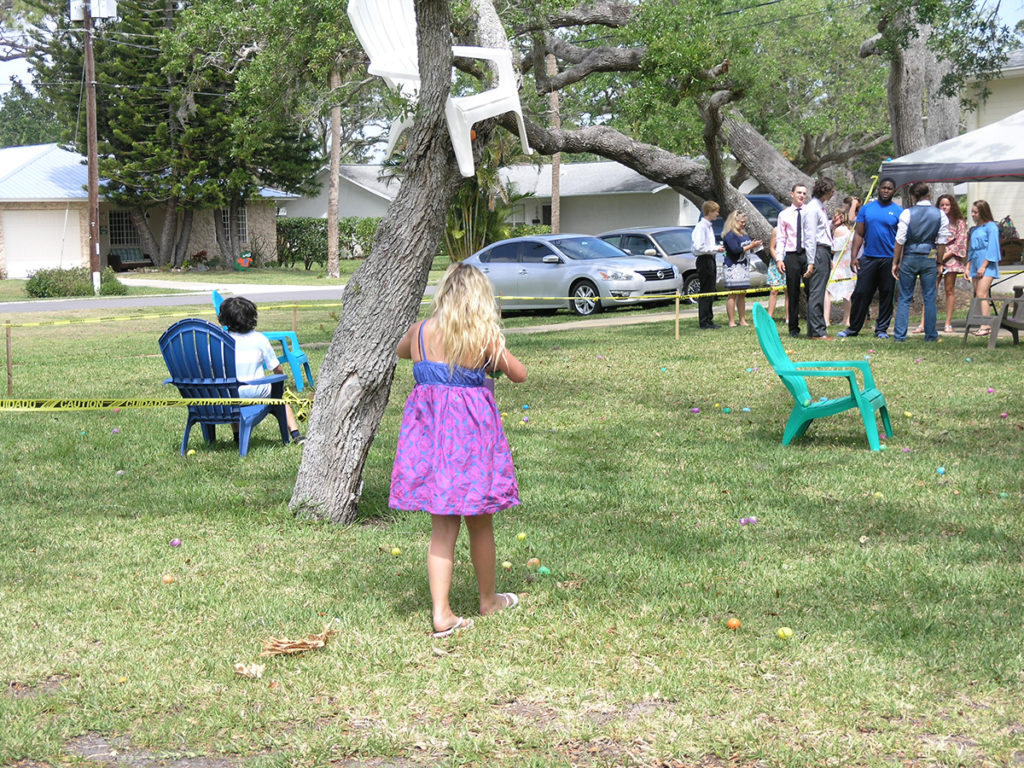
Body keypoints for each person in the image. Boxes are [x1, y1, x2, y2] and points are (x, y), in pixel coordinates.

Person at [389, 263, 528, 639]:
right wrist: (492, 353)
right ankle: (488, 599)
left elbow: (403, 351)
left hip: (431, 444)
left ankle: (441, 613)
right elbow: (519, 373)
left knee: (443, 527)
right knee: (480, 523)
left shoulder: (419, 332)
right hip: (471, 444)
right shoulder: (482, 337)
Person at [217, 296, 304, 444]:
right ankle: (295, 434)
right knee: (281, 397)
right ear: (252, 317)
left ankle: (238, 436)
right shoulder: (259, 339)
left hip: (228, 395)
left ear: (224, 319)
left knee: (231, 384)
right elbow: (277, 367)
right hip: (255, 393)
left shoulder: (219, 340)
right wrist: (280, 381)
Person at [837, 178, 903, 339]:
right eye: (884, 188)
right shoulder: (867, 209)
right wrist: (854, 256)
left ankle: (881, 329)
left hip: (889, 259)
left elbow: (902, 239)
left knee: (887, 294)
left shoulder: (899, 211)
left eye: (890, 188)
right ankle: (853, 329)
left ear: (894, 191)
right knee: (861, 293)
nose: (886, 191)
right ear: (878, 189)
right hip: (869, 258)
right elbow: (859, 234)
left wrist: (899, 261)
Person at [891, 182, 949, 342]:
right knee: (930, 296)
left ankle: (900, 335)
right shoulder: (940, 214)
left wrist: (895, 262)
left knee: (904, 297)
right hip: (929, 257)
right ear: (928, 195)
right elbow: (942, 241)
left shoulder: (907, 213)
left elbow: (900, 239)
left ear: (913, 196)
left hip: (910, 257)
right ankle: (930, 335)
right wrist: (939, 262)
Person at [912, 194, 966, 334]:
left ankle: (948, 323)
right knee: (930, 290)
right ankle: (923, 323)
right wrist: (936, 258)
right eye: (942, 205)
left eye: (947, 205)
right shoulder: (935, 219)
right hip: (935, 256)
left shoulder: (959, 222)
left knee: (949, 289)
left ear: (952, 205)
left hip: (951, 258)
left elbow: (960, 242)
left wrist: (944, 256)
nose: (944, 207)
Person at [775, 182, 811, 338]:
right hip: (791, 256)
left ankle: (814, 326)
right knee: (793, 292)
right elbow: (781, 238)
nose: (802, 195)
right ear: (792, 194)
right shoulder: (784, 214)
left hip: (808, 254)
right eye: (799, 193)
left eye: (804, 193)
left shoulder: (810, 212)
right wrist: (779, 258)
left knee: (812, 291)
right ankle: (793, 328)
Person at [803, 177, 836, 339]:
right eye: (831, 190)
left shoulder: (820, 208)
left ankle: (814, 330)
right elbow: (810, 236)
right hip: (816, 252)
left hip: (823, 251)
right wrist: (811, 261)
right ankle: (818, 332)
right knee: (817, 292)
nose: (833, 193)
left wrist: (832, 225)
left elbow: (821, 231)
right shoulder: (812, 209)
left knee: (819, 291)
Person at [721, 211, 763, 327]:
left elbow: (747, 249)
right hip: (733, 267)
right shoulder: (730, 235)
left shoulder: (743, 235)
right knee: (733, 294)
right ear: (734, 221)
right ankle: (731, 321)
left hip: (744, 266)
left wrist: (756, 245)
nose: (743, 224)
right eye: (741, 222)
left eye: (745, 222)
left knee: (742, 294)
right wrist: (750, 246)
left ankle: (742, 319)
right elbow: (735, 250)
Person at [967, 199, 1002, 336]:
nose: (973, 215)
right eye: (972, 212)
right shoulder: (974, 229)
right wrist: (968, 267)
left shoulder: (991, 227)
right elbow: (971, 249)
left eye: (976, 212)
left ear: (983, 212)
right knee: (981, 295)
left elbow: (993, 248)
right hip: (975, 263)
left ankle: (985, 325)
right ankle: (985, 323)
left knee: (982, 293)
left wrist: (983, 266)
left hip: (986, 264)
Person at [825, 196, 860, 329]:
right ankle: (847, 319)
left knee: (827, 290)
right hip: (848, 263)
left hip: (839, 263)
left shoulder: (839, 230)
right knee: (848, 293)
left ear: (842, 217)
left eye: (836, 216)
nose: (834, 219)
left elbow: (835, 249)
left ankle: (826, 319)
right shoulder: (851, 230)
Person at [693, 200, 724, 329]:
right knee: (705, 290)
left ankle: (709, 319)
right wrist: (715, 249)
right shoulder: (701, 227)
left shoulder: (709, 226)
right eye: (716, 211)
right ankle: (704, 320)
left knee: (711, 289)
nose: (717, 214)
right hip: (704, 260)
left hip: (710, 259)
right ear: (709, 212)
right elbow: (699, 247)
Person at [765, 226, 786, 319]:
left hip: (790, 261)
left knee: (789, 291)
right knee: (774, 290)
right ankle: (769, 316)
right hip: (776, 262)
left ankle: (788, 318)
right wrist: (778, 260)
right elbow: (772, 248)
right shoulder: (776, 230)